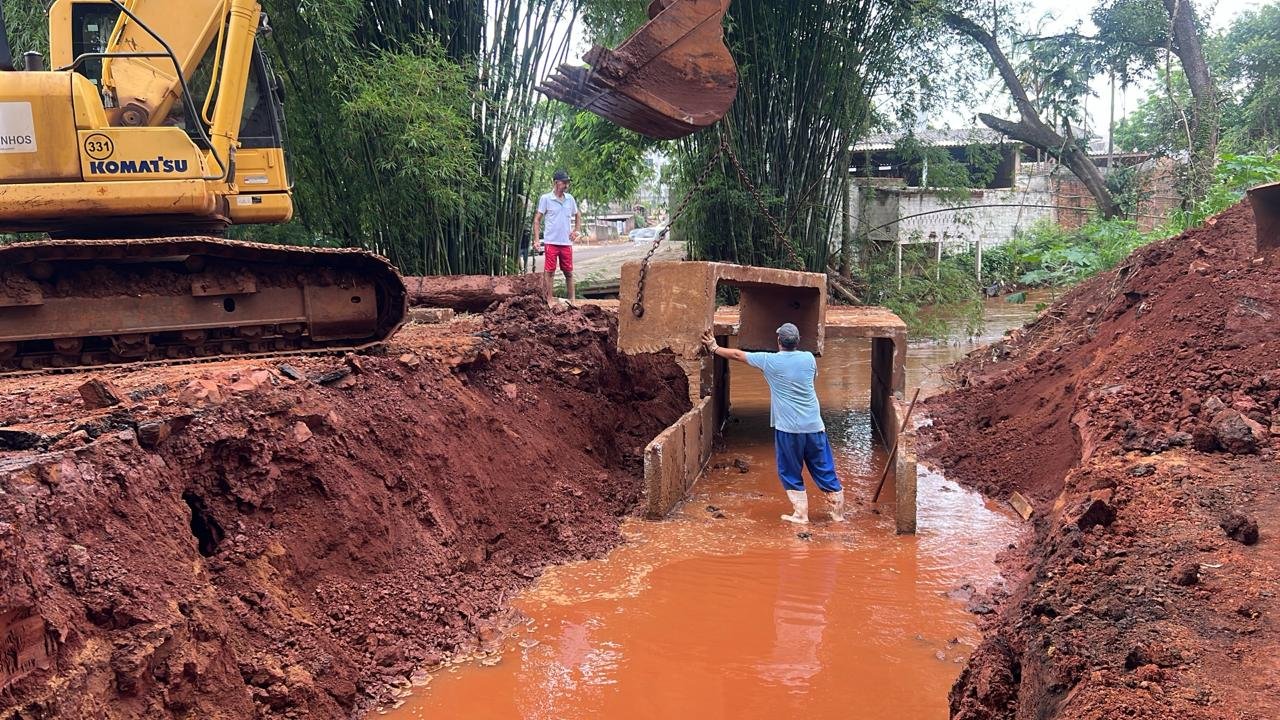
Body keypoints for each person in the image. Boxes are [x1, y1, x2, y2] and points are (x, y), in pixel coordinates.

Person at [701, 323, 845, 524]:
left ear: (779, 342)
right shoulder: (809, 358)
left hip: (789, 429)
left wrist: (714, 348)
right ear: (798, 341)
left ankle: (801, 514)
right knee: (824, 468)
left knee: (789, 470)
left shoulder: (770, 361)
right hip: (815, 426)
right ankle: (838, 514)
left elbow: (736, 355)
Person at [532, 169, 582, 304]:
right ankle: (549, 300)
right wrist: (537, 239)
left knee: (569, 272)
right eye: (564, 182)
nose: (566, 185)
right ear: (556, 183)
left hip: (566, 242)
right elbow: (537, 219)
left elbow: (578, 215)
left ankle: (572, 300)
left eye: (567, 183)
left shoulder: (570, 199)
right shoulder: (546, 198)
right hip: (551, 241)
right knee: (549, 271)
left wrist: (576, 231)